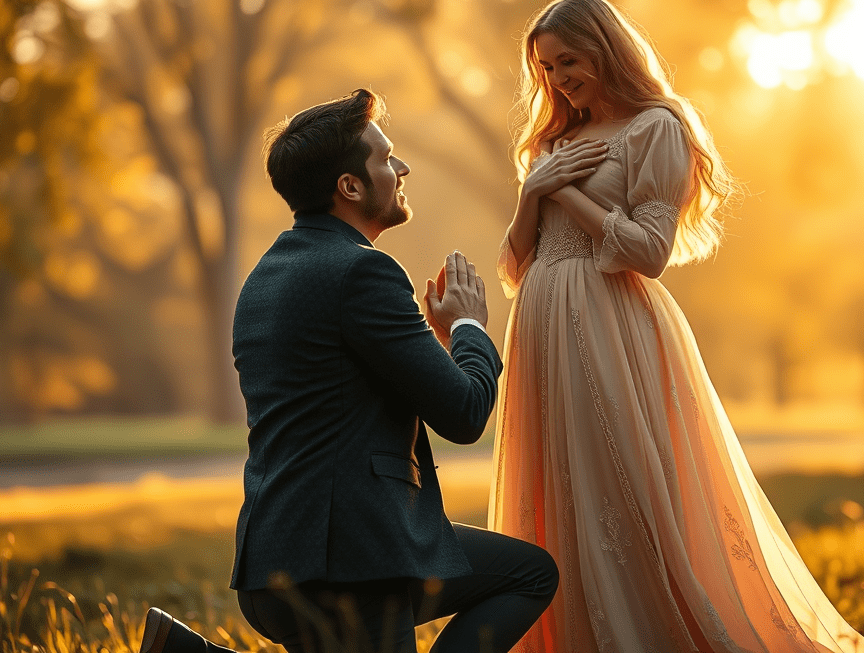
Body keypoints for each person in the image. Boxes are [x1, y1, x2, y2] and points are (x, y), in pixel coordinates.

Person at [489, 0, 864, 653]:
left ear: (607, 48)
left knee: (619, 477)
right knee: (554, 482)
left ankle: (645, 623)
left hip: (610, 321)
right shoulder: (553, 141)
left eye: (570, 60)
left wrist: (567, 192)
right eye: (547, 69)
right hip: (541, 323)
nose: (559, 79)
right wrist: (535, 188)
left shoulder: (656, 127)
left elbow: (648, 254)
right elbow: (514, 262)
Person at [139, 88, 558, 653]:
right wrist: (467, 328)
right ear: (350, 186)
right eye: (386, 158)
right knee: (529, 575)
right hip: (351, 565)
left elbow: (344, 391)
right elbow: (464, 414)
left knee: (526, 572)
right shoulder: (362, 274)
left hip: (277, 556)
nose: (401, 167)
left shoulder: (265, 278)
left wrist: (432, 345)